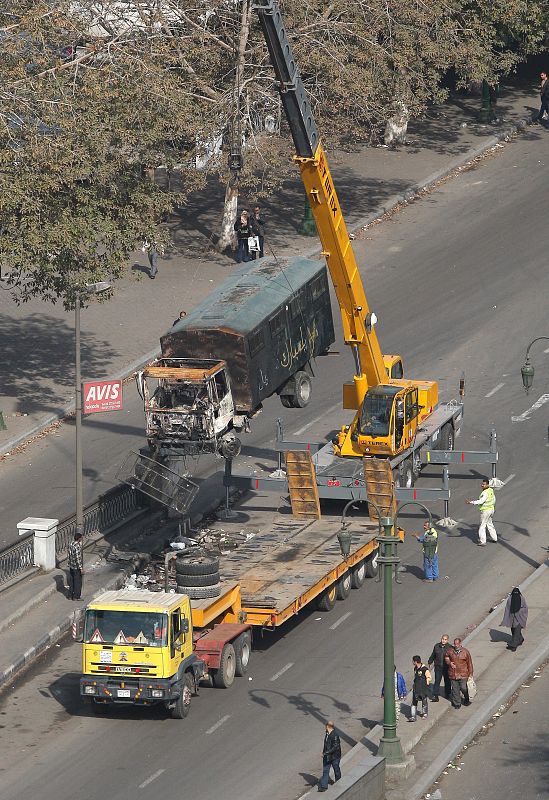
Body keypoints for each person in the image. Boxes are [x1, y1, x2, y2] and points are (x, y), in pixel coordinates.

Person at [466, 478, 497, 546]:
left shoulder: (485, 493)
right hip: (491, 510)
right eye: (482, 484)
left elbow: (481, 501)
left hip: (485, 511)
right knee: (490, 524)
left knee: (482, 526)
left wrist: (471, 502)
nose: (482, 485)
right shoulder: (491, 490)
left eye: (484, 484)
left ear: (488, 485)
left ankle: (483, 541)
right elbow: (494, 499)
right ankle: (495, 538)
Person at [445, 638, 473, 709]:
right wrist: (449, 663)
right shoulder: (450, 651)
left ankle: (466, 697)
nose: (456, 645)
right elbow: (446, 657)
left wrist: (471, 673)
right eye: (455, 644)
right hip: (453, 674)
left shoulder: (465, 652)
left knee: (463, 688)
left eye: (457, 644)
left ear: (460, 644)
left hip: (463, 674)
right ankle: (457, 703)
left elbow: (469, 663)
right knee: (455, 690)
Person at [501, 587, 528, 651]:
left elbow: (525, 608)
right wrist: (508, 617)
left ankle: (513, 646)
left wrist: (519, 612)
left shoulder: (521, 598)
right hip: (512, 618)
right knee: (514, 630)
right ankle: (520, 639)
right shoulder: (510, 599)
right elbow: (508, 609)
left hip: (519, 619)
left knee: (516, 631)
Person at [318, 721, 341, 792]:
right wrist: (324, 752)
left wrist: (325, 753)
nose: (325, 727)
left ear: (327, 726)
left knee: (336, 769)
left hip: (335, 757)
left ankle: (339, 781)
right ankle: (324, 787)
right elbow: (326, 745)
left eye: (325, 726)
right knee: (325, 771)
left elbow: (335, 747)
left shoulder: (335, 735)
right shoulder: (327, 734)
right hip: (327, 756)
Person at [428, 634, 450, 701]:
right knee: (437, 681)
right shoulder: (437, 646)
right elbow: (433, 654)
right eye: (443, 639)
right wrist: (430, 661)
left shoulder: (450, 647)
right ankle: (435, 695)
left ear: (447, 640)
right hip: (438, 667)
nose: (443, 640)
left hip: (446, 667)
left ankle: (447, 693)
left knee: (447, 681)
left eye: (445, 639)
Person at [410, 656, 431, 721]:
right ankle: (413, 716)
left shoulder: (425, 669)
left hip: (423, 688)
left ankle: (425, 713)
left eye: (413, 661)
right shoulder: (415, 668)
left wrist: (426, 684)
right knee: (414, 702)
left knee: (424, 701)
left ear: (415, 662)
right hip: (416, 688)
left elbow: (429, 677)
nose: (412, 662)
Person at [67, 532, 84, 600]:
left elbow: (69, 555)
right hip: (76, 567)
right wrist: (81, 568)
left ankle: (70, 595)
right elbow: (78, 558)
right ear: (79, 538)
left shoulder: (71, 544)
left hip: (71, 566)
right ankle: (76, 596)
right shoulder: (77, 546)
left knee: (72, 581)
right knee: (78, 582)